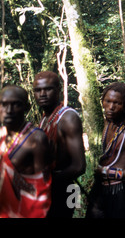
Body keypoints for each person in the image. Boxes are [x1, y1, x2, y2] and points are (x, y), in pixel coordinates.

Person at [86, 82, 125, 218]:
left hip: (122, 192)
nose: (111, 107)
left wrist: (109, 172)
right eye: (107, 101)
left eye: (117, 103)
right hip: (100, 189)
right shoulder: (108, 122)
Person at [33, 71, 86, 218]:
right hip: (50, 190)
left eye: (48, 89)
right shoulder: (45, 117)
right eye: (38, 90)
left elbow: (79, 166)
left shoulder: (68, 118)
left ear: (59, 90)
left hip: (65, 189)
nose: (42, 94)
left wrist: (43, 180)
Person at [0, 85, 52, 218]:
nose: (9, 110)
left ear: (26, 107)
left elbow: (42, 189)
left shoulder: (36, 138)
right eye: (3, 104)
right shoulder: (2, 135)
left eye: (16, 104)